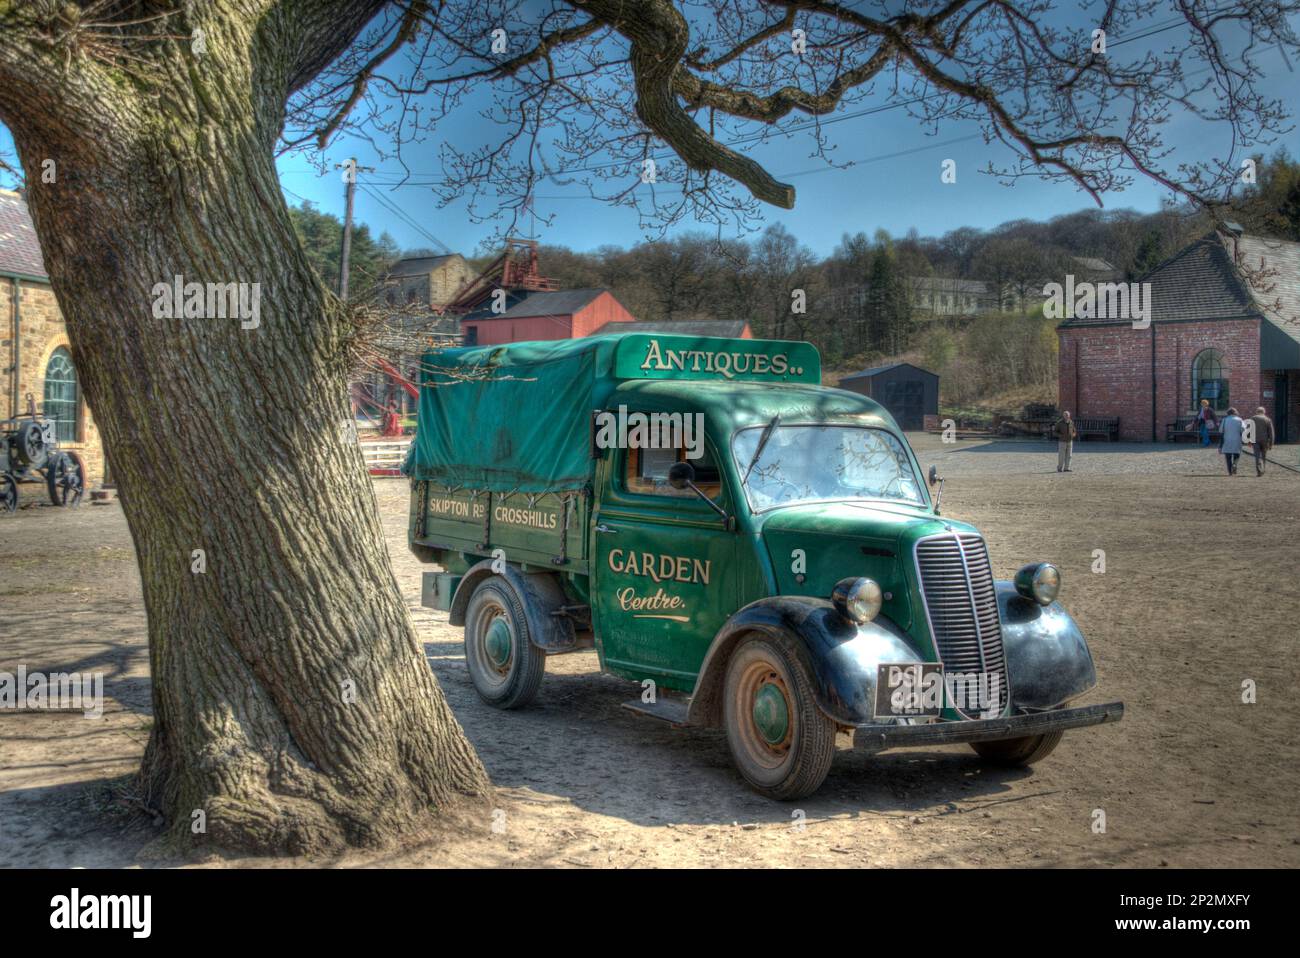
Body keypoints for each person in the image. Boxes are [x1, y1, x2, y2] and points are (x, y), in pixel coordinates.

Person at [1250, 406, 1275, 476]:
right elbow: (1271, 433)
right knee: (1264, 455)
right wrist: (1271, 443)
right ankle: (1263, 469)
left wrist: (1248, 440)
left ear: (1257, 411)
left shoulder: (1253, 418)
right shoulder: (1267, 419)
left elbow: (1248, 430)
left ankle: (1259, 471)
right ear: (1264, 412)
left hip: (1255, 440)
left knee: (1257, 455)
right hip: (1265, 440)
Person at [1219, 407, 1244, 475]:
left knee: (1228, 457)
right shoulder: (1240, 420)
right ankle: (1235, 464)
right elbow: (1243, 430)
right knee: (1237, 454)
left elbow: (1221, 430)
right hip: (1237, 440)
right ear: (1235, 413)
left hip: (1227, 440)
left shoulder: (1224, 420)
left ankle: (1230, 472)